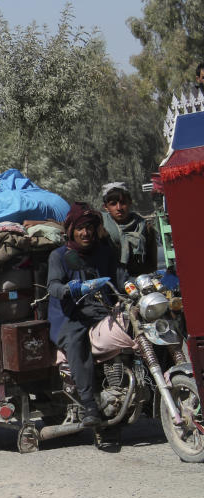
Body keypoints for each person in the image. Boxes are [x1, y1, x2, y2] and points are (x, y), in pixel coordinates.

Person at [47, 202, 130, 427]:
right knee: (77, 340)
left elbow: (120, 277)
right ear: (72, 230)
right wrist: (68, 290)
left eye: (89, 228)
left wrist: (135, 286)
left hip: (101, 310)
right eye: (80, 228)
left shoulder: (104, 252)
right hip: (69, 315)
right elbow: (53, 286)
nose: (85, 233)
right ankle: (89, 405)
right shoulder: (60, 255)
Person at [100, 183, 158, 276]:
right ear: (106, 207)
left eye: (123, 202)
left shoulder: (145, 227)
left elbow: (152, 264)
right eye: (113, 204)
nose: (119, 208)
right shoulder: (101, 228)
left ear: (130, 202)